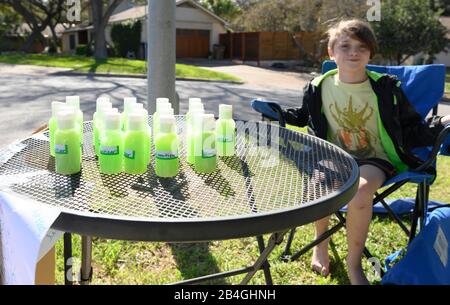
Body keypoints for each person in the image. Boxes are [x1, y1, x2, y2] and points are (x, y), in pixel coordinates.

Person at [282, 19, 450, 285]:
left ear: (370, 52)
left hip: (378, 158)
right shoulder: (318, 86)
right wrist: (280, 114)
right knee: (319, 183)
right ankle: (320, 244)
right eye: (345, 46)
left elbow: (410, 127)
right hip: (335, 156)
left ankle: (354, 262)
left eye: (361, 46)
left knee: (360, 190)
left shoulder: (385, 87)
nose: (353, 52)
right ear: (331, 52)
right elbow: (305, 116)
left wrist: (438, 124)